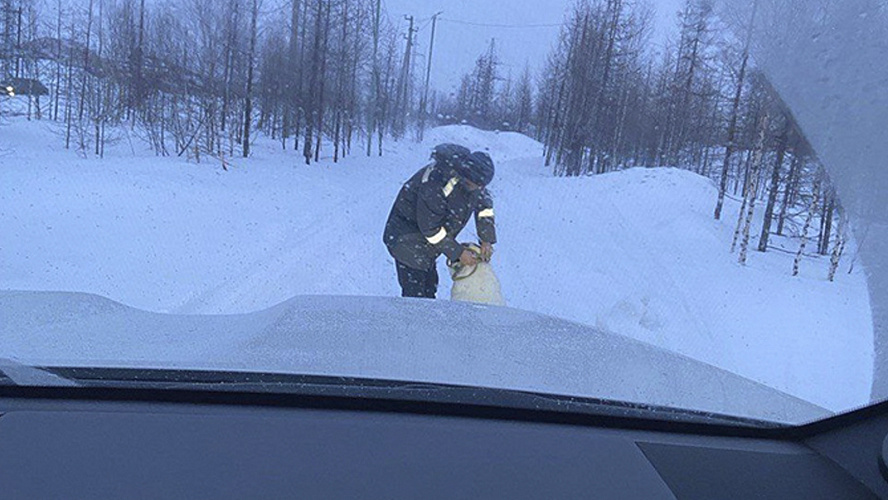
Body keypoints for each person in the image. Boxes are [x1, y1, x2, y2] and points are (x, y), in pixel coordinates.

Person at [383, 144, 497, 299]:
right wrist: (458, 253)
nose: (479, 189)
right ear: (466, 177)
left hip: (426, 244)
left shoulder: (473, 182)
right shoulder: (436, 183)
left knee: (429, 288)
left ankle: (425, 309)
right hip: (407, 239)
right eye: (475, 185)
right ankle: (413, 313)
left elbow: (484, 208)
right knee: (415, 295)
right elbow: (431, 230)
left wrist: (486, 239)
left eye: (481, 186)